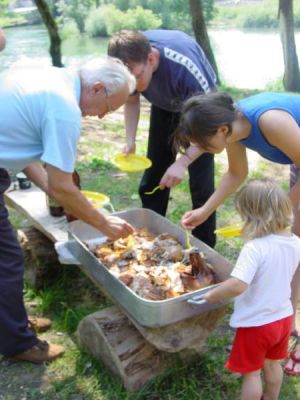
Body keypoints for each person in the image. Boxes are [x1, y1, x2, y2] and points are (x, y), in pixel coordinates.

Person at [0, 57, 136, 363]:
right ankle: (17, 342)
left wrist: (60, 193)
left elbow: (27, 155)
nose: (102, 118)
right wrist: (103, 223)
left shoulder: (46, 74)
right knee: (7, 260)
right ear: (98, 88)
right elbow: (62, 186)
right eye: (109, 108)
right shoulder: (65, 110)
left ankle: (12, 324)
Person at [175, 91, 300, 376]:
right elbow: (236, 172)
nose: (201, 149)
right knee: (294, 246)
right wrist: (205, 210)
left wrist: (278, 209)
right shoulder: (234, 126)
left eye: (202, 143)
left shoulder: (269, 121)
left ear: (220, 130)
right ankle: (286, 321)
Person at [108, 29, 217, 248]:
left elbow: (211, 128)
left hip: (200, 110)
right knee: (153, 177)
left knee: (201, 186)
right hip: (164, 105)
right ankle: (151, 236)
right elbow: (132, 100)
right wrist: (130, 139)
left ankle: (204, 248)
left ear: (151, 58)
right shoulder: (129, 63)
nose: (133, 86)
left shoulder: (186, 70)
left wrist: (183, 161)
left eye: (137, 77)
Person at [203, 179, 300, 400]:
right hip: (283, 318)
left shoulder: (254, 248)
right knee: (273, 364)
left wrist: (212, 295)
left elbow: (237, 284)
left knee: (251, 374)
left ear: (253, 217)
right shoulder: (295, 241)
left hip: (257, 323)